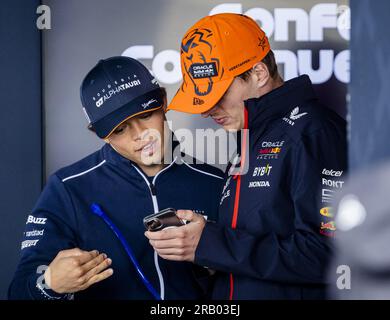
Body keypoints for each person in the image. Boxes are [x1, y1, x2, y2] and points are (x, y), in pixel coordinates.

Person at [146, 13, 347, 299]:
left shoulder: (314, 131)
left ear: (259, 73)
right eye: (202, 99)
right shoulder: (252, 135)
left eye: (216, 95)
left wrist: (211, 244)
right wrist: (204, 250)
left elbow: (329, 254)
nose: (206, 110)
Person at [8, 56, 223, 300]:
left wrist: (214, 256)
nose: (141, 135)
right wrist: (49, 284)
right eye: (120, 129)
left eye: (145, 115)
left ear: (163, 101)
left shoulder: (214, 181)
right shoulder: (68, 188)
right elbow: (18, 291)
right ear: (100, 135)